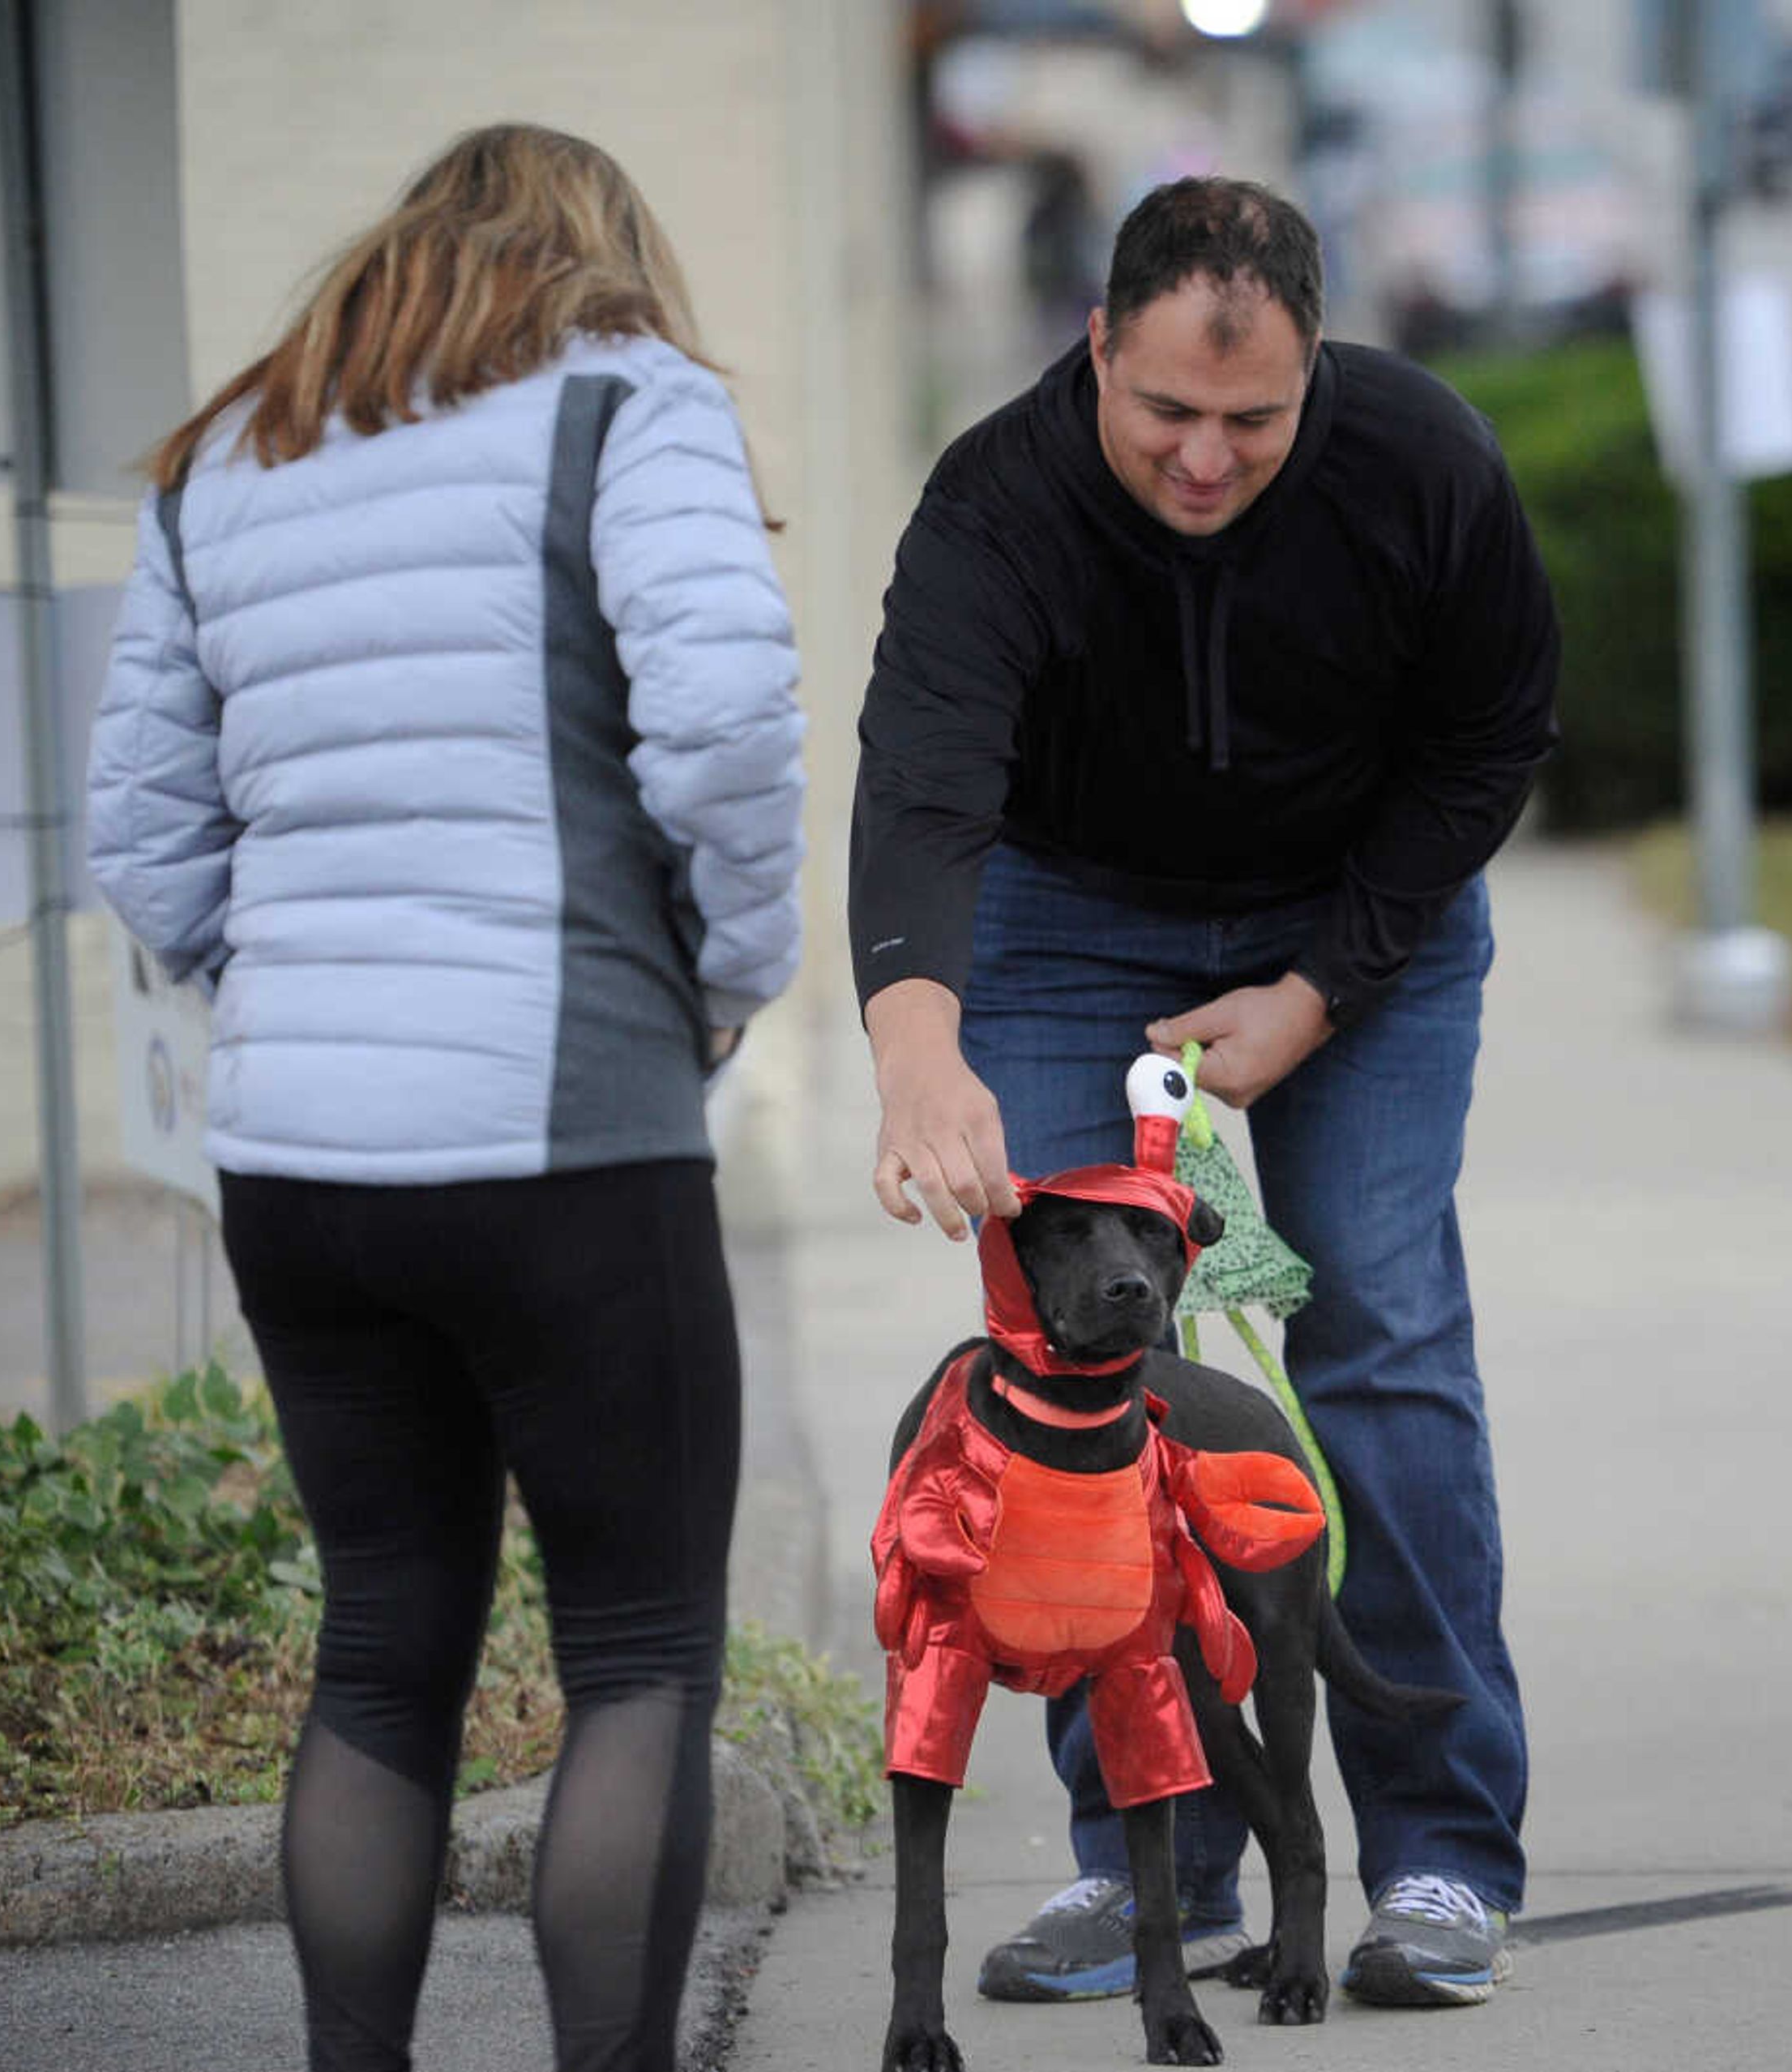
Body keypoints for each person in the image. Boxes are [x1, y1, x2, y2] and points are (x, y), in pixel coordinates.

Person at [85, 123, 804, 2072]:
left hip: (302, 1161)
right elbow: (729, 710)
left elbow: (141, 843)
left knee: (384, 1652)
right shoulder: (626, 403)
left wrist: (302, 983)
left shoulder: (229, 459)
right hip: (563, 1130)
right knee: (641, 1655)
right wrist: (728, 971)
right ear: (603, 261)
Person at [849, 173, 1555, 2010]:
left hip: (1356, 920)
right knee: (1084, 1369)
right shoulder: (999, 500)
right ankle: (1149, 1868)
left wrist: (1322, 992)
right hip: (1069, 915)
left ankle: (1443, 1862)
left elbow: (1492, 739)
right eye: (1166, 410)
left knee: (1378, 1331)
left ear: (1320, 363)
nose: (1207, 458)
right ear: (1097, 345)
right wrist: (915, 1049)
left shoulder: (1421, 462)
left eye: (1255, 417)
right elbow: (925, 780)